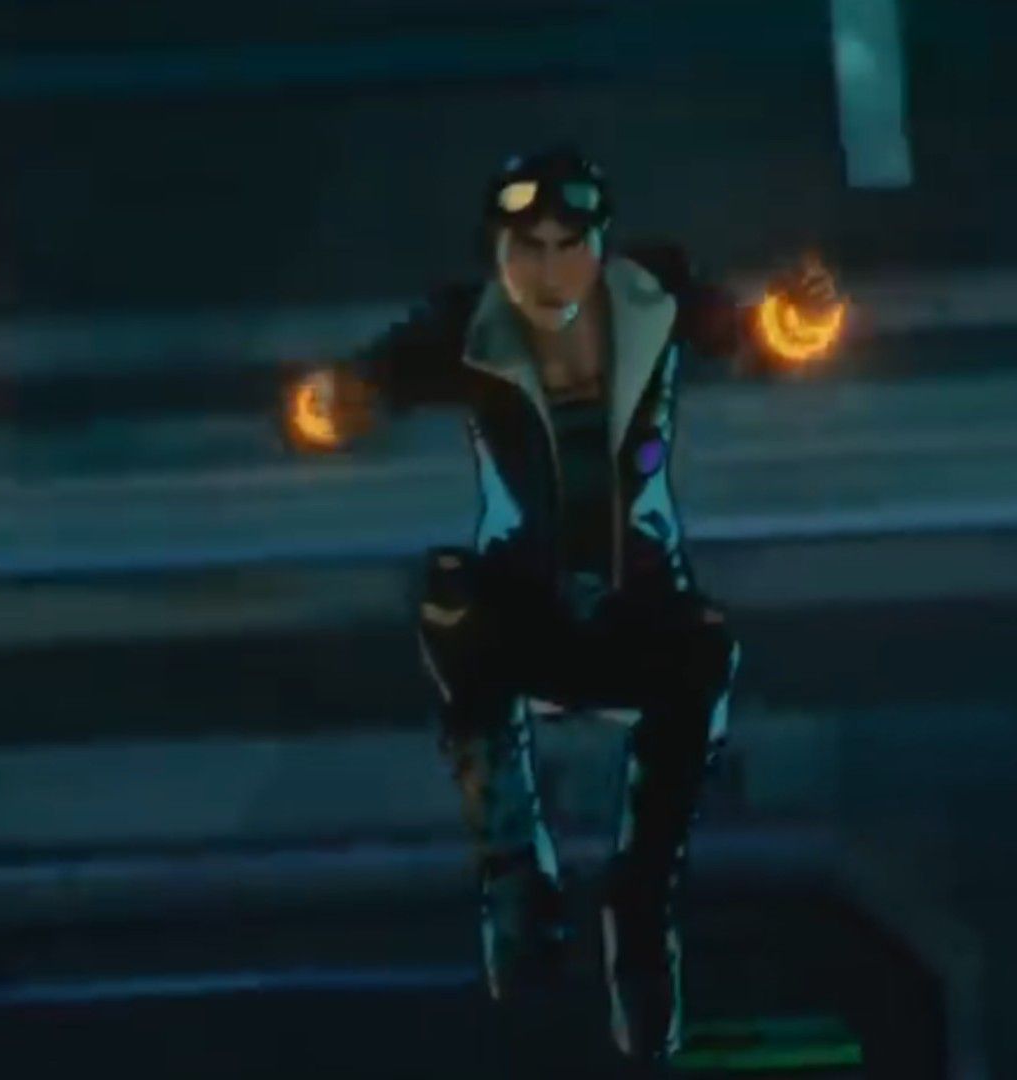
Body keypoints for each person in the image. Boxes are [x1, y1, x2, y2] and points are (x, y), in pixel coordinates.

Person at [291, 146, 840, 1065]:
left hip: (640, 603)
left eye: (568, 245)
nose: (550, 270)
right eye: (529, 248)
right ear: (502, 254)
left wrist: (801, 317)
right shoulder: (468, 328)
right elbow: (364, 388)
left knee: (703, 656)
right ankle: (515, 874)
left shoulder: (653, 300)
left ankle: (642, 897)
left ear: (598, 245)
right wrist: (332, 404)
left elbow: (756, 335)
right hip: (525, 606)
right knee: (452, 608)